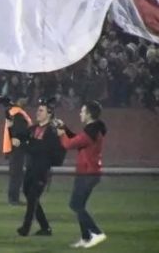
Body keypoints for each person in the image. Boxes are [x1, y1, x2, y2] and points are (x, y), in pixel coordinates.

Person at [57, 101, 107, 249]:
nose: (80, 113)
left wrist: (61, 134)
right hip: (85, 172)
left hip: (88, 173)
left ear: (90, 114)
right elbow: (77, 140)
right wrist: (64, 128)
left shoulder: (91, 131)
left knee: (76, 205)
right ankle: (86, 238)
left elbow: (68, 144)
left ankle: (97, 233)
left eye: (83, 111)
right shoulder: (92, 130)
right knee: (78, 205)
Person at [16, 100, 63, 237]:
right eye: (38, 110)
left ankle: (26, 228)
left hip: (42, 170)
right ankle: (45, 227)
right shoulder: (33, 129)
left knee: (32, 197)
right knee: (30, 195)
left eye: (41, 110)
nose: (37, 112)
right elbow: (23, 138)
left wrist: (26, 144)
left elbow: (42, 149)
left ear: (49, 113)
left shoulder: (51, 131)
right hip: (30, 168)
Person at [3, 97, 31, 205]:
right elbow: (20, 132)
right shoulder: (18, 114)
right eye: (24, 99)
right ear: (19, 101)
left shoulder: (13, 113)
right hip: (17, 149)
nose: (26, 101)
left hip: (13, 148)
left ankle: (14, 197)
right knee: (16, 174)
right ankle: (13, 198)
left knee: (15, 174)